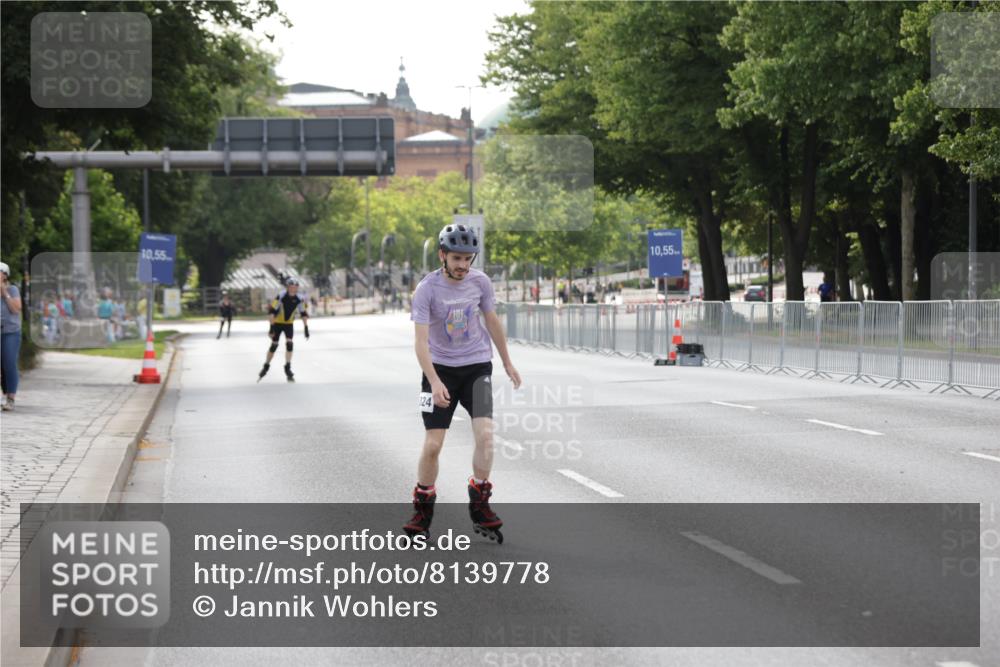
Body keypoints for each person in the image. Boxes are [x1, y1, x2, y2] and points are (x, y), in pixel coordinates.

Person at [404, 224, 522, 542]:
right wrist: (433, 380)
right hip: (439, 369)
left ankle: (480, 502)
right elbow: (420, 341)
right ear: (442, 255)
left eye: (468, 258)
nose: (462, 265)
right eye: (456, 258)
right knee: (433, 445)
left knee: (486, 436)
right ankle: (422, 510)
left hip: (476, 368)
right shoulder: (427, 289)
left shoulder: (480, 282)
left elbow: (492, 320)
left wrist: (508, 362)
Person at [258, 278, 309, 382]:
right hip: (277, 323)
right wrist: (271, 328)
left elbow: (303, 313)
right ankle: (266, 365)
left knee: (290, 344)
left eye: (295, 287)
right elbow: (271, 312)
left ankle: (287, 367)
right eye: (291, 287)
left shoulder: (300, 298)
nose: (293, 289)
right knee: (274, 345)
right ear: (287, 287)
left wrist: (306, 328)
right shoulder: (281, 295)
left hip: (289, 324)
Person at [1, 262, 23, 411]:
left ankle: (10, 398)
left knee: (9, 363)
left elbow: (16, 309)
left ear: (5, 275)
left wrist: (4, 292)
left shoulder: (12, 289)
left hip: (10, 332)